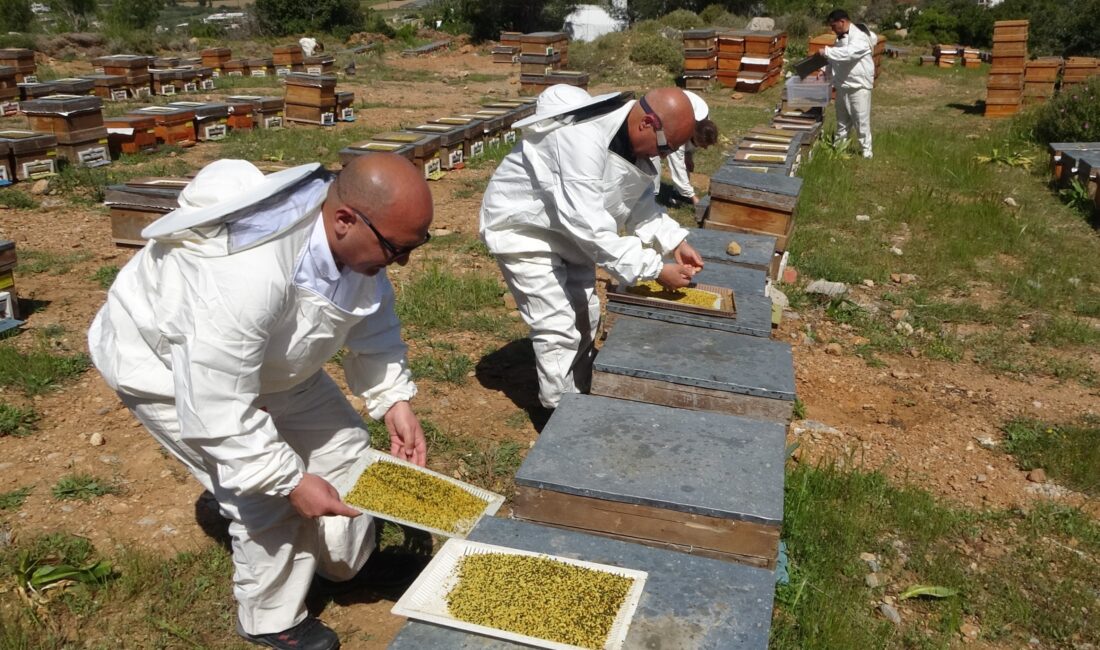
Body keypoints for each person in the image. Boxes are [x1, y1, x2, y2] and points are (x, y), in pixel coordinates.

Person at [88, 153, 434, 650]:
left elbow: (370, 318)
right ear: (343, 221)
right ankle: (271, 618)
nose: (399, 262)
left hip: (276, 360)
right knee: (264, 495)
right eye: (396, 249)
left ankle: (345, 567)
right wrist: (288, 478)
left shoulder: (356, 238)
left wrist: (393, 399)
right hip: (169, 369)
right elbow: (219, 408)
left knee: (347, 450)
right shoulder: (241, 274)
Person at [480, 85, 704, 410]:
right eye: (665, 147)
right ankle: (561, 416)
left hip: (570, 234)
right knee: (557, 326)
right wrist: (655, 269)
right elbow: (592, 229)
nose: (662, 156)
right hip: (524, 230)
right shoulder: (579, 138)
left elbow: (637, 203)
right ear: (647, 124)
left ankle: (581, 392)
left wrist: (674, 241)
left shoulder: (632, 142)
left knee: (586, 315)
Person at [824, 8, 878, 159]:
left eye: (833, 26)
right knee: (842, 121)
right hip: (843, 85)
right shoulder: (839, 38)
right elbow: (836, 57)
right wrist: (826, 70)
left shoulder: (860, 37)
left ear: (842, 22)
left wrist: (827, 51)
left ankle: (866, 152)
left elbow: (848, 54)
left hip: (858, 86)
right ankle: (840, 148)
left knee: (861, 121)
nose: (832, 29)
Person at [651, 90, 719, 206]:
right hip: (659, 113)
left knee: (684, 163)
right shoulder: (678, 131)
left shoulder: (704, 119)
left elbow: (692, 142)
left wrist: (688, 156)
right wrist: (694, 198)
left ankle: (679, 194)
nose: (704, 148)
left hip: (679, 108)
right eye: (703, 145)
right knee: (653, 156)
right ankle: (652, 195)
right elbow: (677, 164)